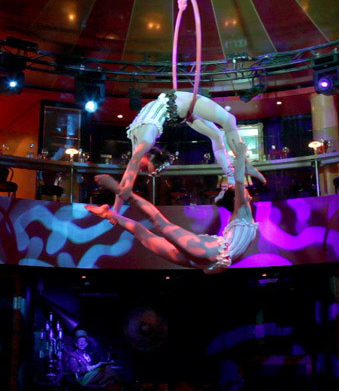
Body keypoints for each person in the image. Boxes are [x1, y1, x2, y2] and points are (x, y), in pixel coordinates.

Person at [87, 140, 257, 274]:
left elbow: (239, 180)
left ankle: (110, 213)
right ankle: (117, 191)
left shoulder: (242, 212)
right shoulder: (241, 213)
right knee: (157, 225)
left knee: (146, 234)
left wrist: (241, 154)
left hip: (207, 256)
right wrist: (240, 155)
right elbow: (239, 181)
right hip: (207, 253)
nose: (245, 189)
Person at [117, 89, 265, 211]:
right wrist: (116, 209)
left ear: (150, 157)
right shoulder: (139, 143)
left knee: (229, 120)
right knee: (217, 136)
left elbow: (129, 174)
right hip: (179, 112)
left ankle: (245, 165)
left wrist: (124, 194)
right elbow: (127, 178)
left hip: (183, 101)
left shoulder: (146, 141)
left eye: (145, 168)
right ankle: (231, 175)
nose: (140, 169)